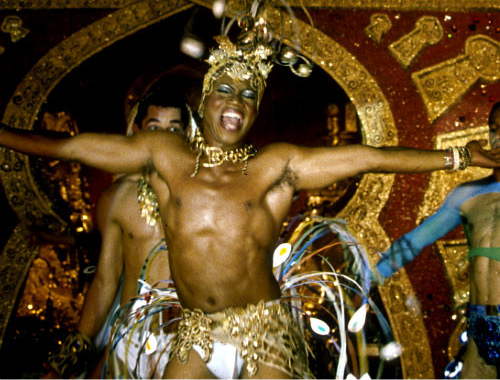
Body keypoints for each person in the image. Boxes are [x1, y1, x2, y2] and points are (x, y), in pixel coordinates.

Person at [2, 27, 500, 378]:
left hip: (262, 331)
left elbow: (369, 157)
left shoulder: (274, 166)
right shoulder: (165, 157)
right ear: (203, 101)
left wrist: (458, 156)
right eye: (224, 89)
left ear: (256, 109)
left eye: (248, 94)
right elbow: (70, 147)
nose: (235, 102)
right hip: (194, 333)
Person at [45, 91, 187, 379]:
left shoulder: (208, 195)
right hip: (130, 336)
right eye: (154, 128)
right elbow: (105, 281)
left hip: (190, 341)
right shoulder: (117, 197)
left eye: (173, 130)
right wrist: (66, 362)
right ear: (136, 131)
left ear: (187, 134)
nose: (163, 139)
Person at [375, 102, 500, 379]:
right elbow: (413, 242)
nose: (499, 137)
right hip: (480, 323)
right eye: (494, 129)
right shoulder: (467, 194)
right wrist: (368, 277)